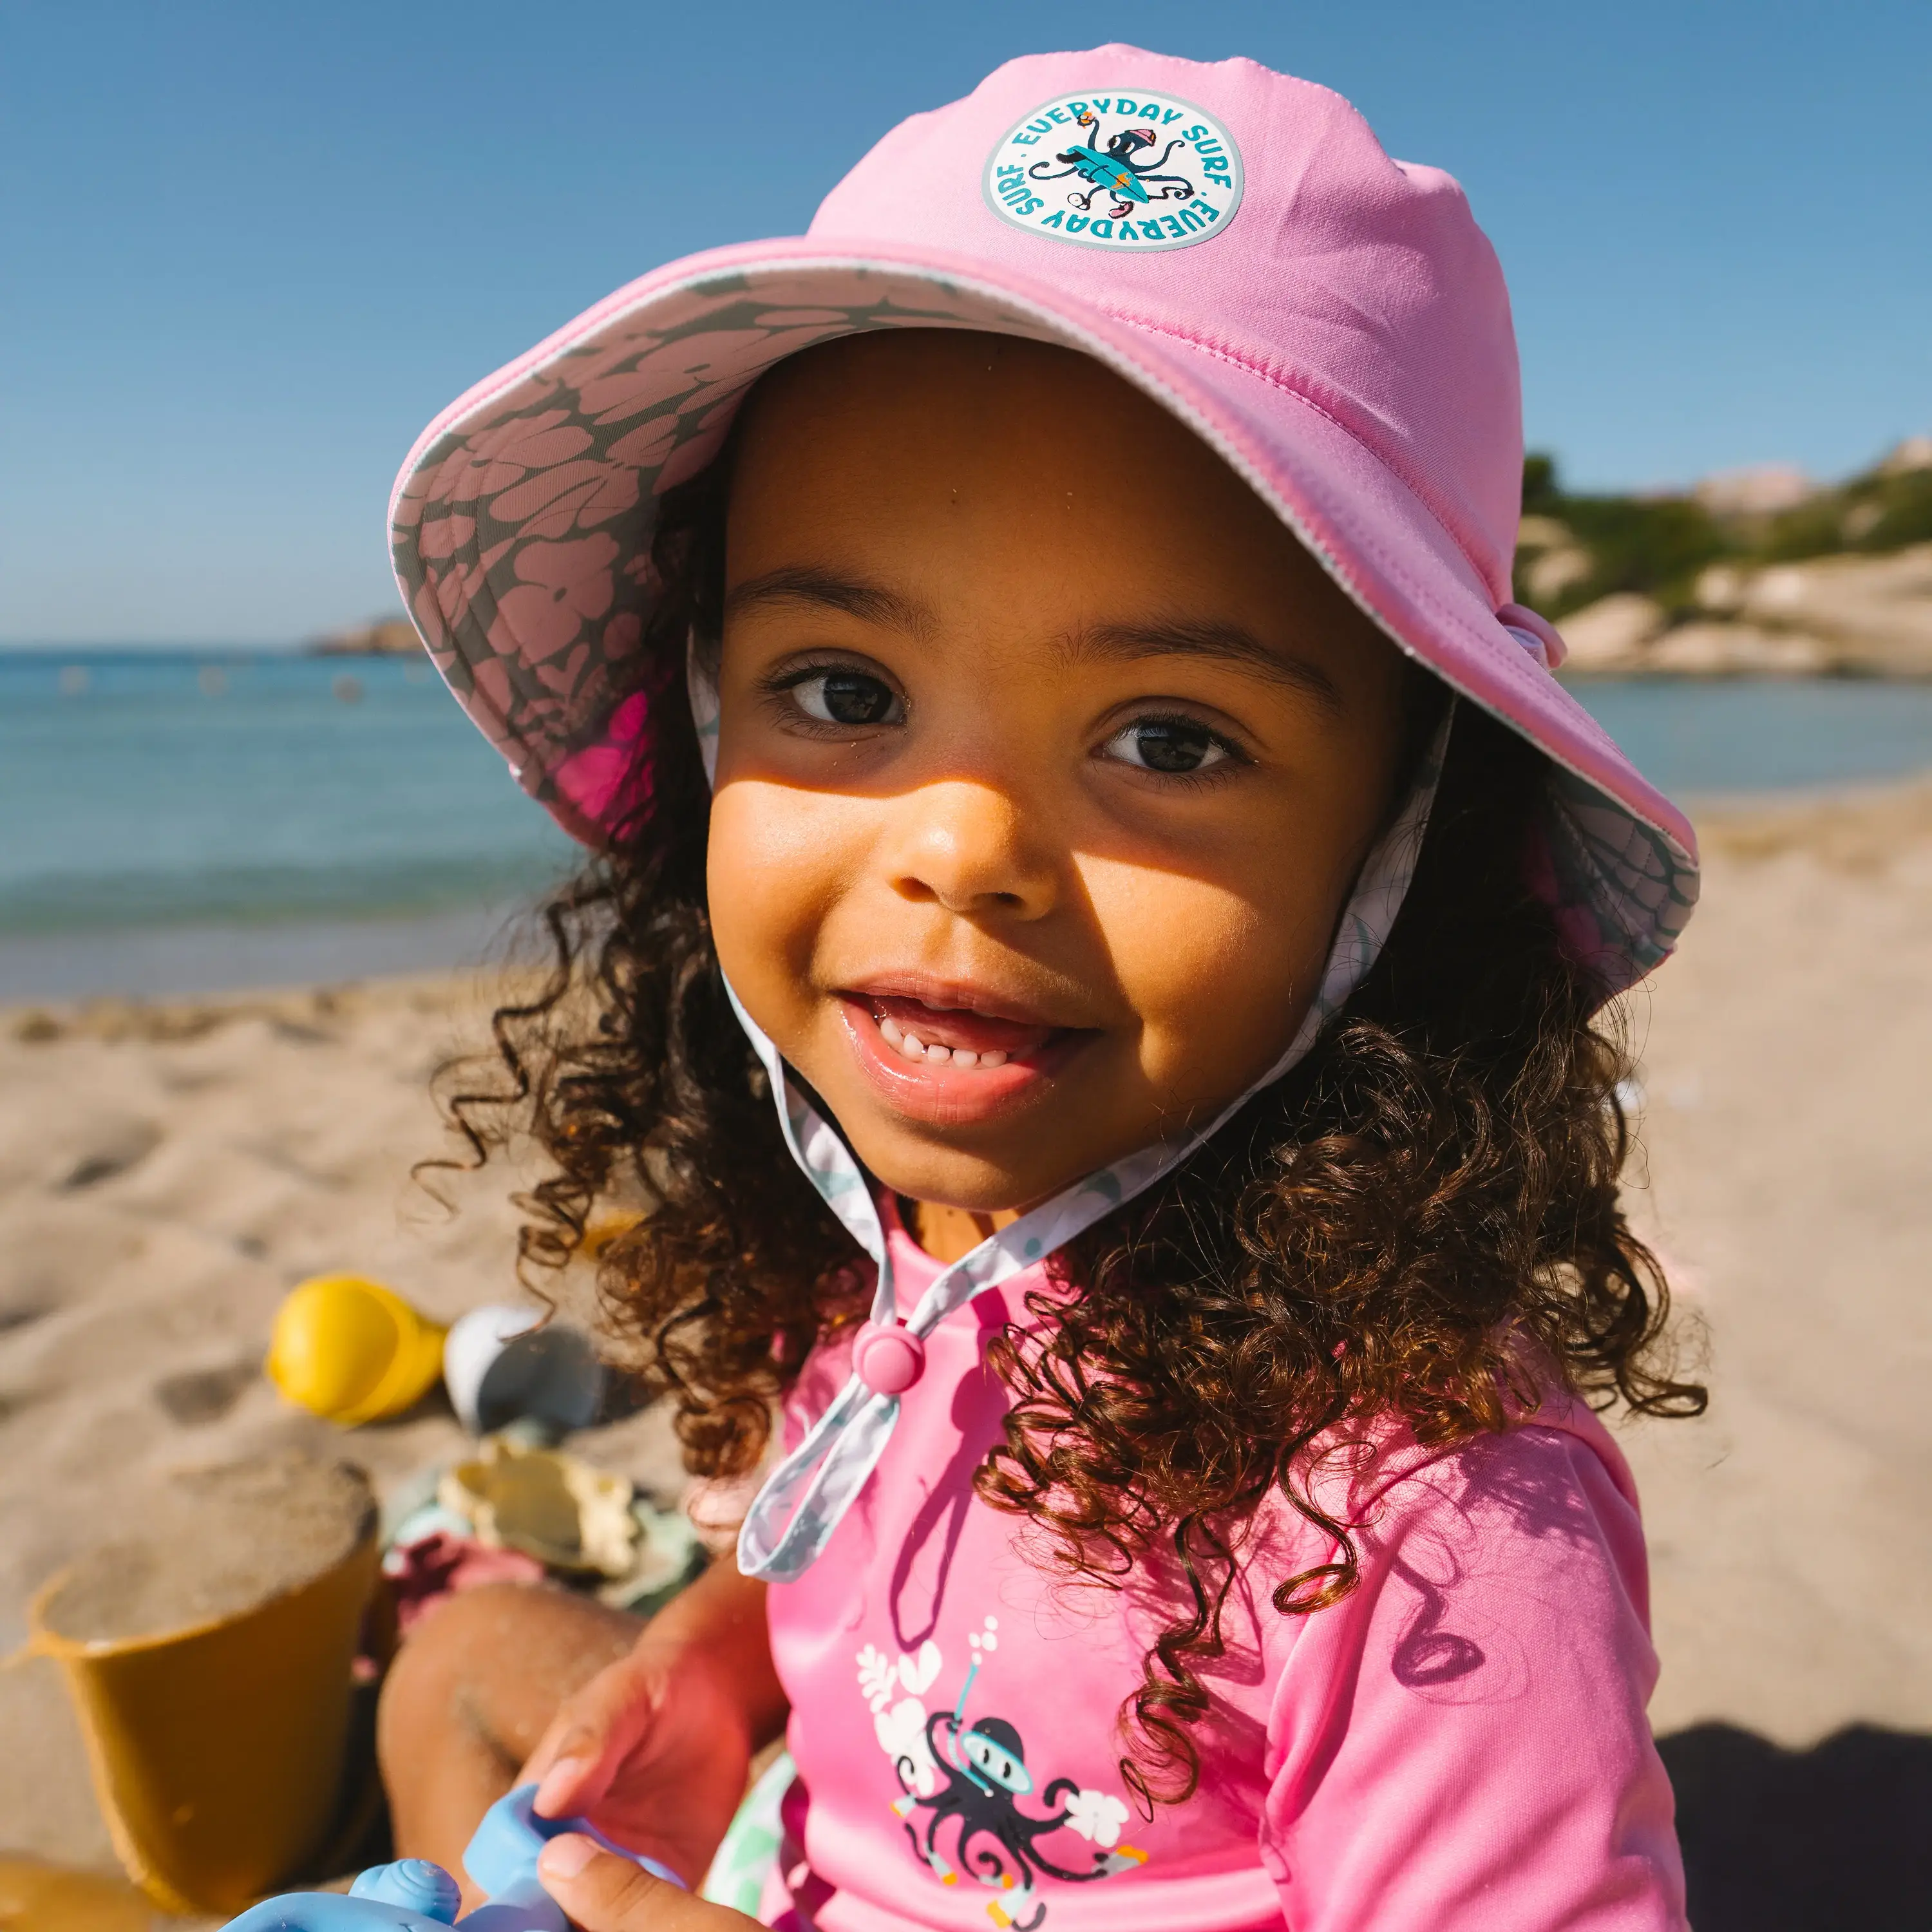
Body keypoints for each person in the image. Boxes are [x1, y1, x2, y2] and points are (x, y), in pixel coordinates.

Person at [377, 45, 1705, 1932]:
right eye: (844, 692)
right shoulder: (894, 1223)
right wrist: (709, 1662)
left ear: (1406, 848)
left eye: (1169, 737)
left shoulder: (1437, 1528)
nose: (965, 848)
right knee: (470, 1659)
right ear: (704, 714)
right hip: (810, 1857)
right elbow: (842, 1560)